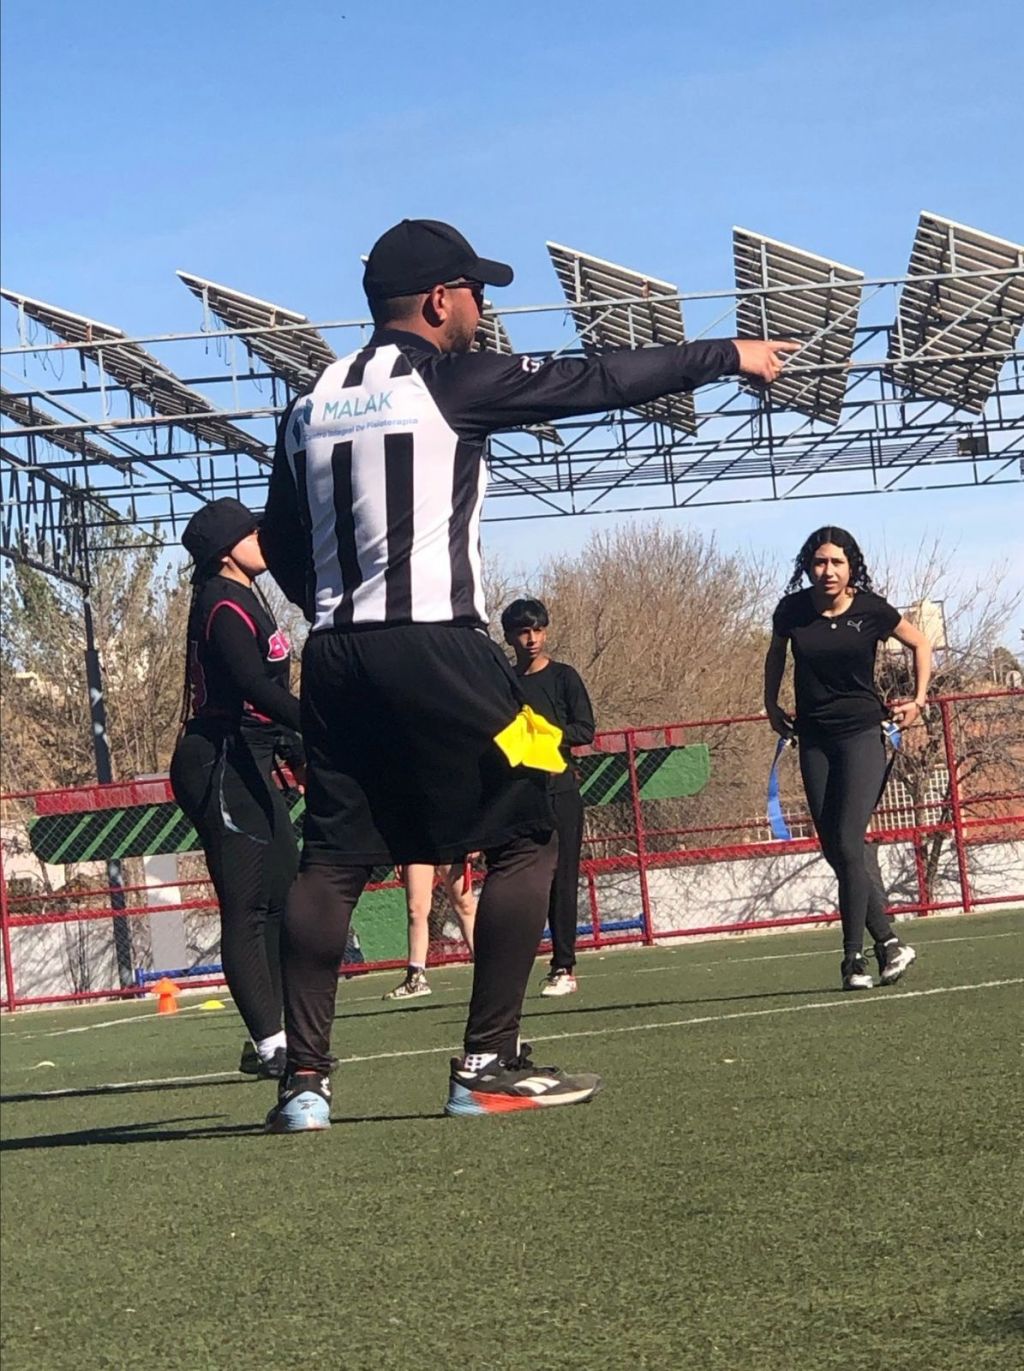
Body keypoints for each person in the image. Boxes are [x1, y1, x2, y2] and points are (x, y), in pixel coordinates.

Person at [260, 216, 797, 1131]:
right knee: (542, 801)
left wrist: (340, 605)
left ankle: (304, 1081)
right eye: (477, 294)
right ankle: (486, 1061)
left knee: (335, 857)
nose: (482, 311)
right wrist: (726, 354)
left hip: (337, 658)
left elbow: (277, 540)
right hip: (441, 649)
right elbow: (595, 381)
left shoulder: (312, 398)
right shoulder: (450, 382)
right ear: (439, 300)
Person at [169, 499, 304, 1078]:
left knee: (283, 891)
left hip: (250, 756)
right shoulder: (222, 603)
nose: (261, 537)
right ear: (227, 547)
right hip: (218, 761)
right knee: (247, 905)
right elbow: (251, 683)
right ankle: (272, 1043)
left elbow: (270, 695)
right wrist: (317, 721)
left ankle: (279, 1032)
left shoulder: (249, 594)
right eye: (252, 531)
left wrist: (299, 747)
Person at [763, 526, 931, 991]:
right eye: (819, 562)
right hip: (813, 738)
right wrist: (772, 705)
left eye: (837, 562)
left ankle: (852, 959)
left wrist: (917, 701)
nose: (828, 570)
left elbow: (920, 644)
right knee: (835, 847)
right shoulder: (792, 610)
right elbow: (775, 656)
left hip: (861, 735)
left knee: (847, 838)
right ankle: (890, 944)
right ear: (808, 566)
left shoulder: (872, 610)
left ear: (851, 565)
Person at [502, 598, 594, 996]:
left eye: (538, 629)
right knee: (517, 882)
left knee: (562, 880)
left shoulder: (564, 678)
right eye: (523, 631)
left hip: (561, 792)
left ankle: (564, 967)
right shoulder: (504, 681)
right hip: (517, 797)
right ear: (508, 636)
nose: (532, 639)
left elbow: (585, 729)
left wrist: (549, 734)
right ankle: (511, 967)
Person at [383, 862, 477, 1000]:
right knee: (416, 909)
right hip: (418, 846)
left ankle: (488, 969)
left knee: (464, 905)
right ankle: (415, 978)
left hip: (450, 843)